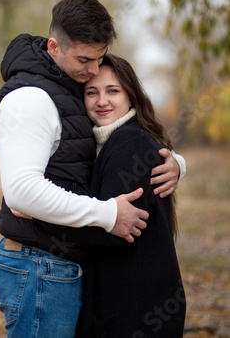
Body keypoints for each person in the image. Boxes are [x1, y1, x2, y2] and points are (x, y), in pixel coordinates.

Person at [0, 0, 186, 338]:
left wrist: (176, 163)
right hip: (39, 267)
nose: (93, 71)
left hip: (56, 267)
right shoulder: (32, 98)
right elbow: (22, 191)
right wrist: (108, 214)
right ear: (54, 46)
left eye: (100, 60)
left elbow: (107, 157)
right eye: (85, 60)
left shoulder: (66, 87)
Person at [33, 54, 186, 337]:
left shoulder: (129, 144)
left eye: (112, 91)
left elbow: (116, 231)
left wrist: (37, 214)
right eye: (92, 92)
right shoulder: (110, 142)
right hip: (133, 303)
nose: (102, 101)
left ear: (132, 96)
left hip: (135, 312)